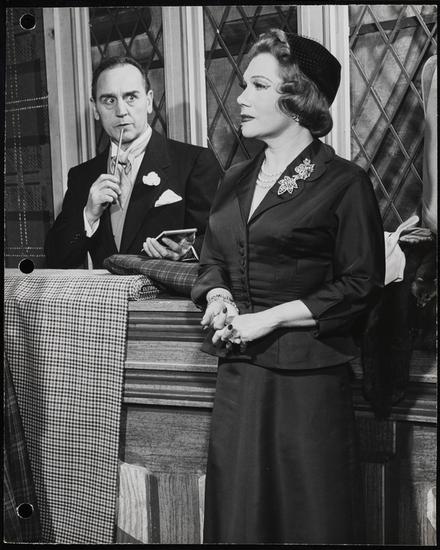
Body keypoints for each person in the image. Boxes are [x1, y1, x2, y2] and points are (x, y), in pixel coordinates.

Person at [191, 29, 385, 544]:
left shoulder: (344, 183)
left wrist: (270, 318)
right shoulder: (234, 179)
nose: (240, 97)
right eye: (244, 85)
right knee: (240, 521)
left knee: (309, 522)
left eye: (258, 86)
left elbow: (361, 284)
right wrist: (218, 295)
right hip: (239, 377)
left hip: (307, 384)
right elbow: (213, 258)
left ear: (298, 99)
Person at [45, 56, 221, 268]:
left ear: (148, 101)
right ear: (95, 109)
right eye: (109, 100)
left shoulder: (194, 162)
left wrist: (186, 254)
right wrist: (88, 215)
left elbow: (220, 241)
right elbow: (56, 259)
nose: (121, 111)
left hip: (164, 289)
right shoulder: (82, 176)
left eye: (131, 97)